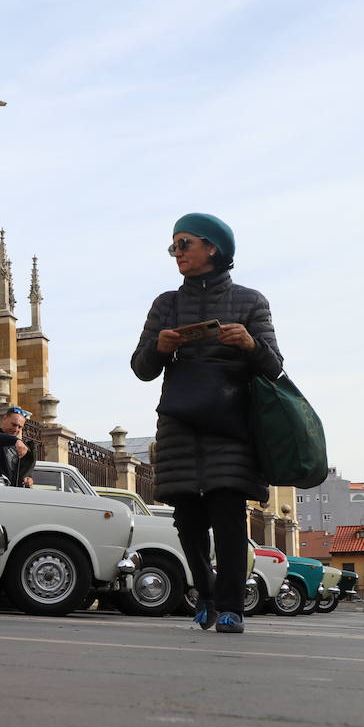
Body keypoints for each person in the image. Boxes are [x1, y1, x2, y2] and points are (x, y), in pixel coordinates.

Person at [131, 213, 284, 634]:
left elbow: (275, 368)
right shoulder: (166, 304)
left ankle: (232, 605)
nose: (177, 253)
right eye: (173, 247)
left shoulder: (251, 301)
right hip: (180, 421)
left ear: (212, 248)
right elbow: (141, 369)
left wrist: (250, 344)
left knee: (228, 514)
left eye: (184, 244)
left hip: (230, 420)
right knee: (188, 519)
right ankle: (207, 593)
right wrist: (159, 348)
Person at [0, 407, 36, 488]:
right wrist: (16, 441)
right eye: (14, 424)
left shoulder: (20, 446)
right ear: (5, 418)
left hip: (12, 492)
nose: (16, 429)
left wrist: (28, 479)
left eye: (20, 427)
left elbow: (24, 471)